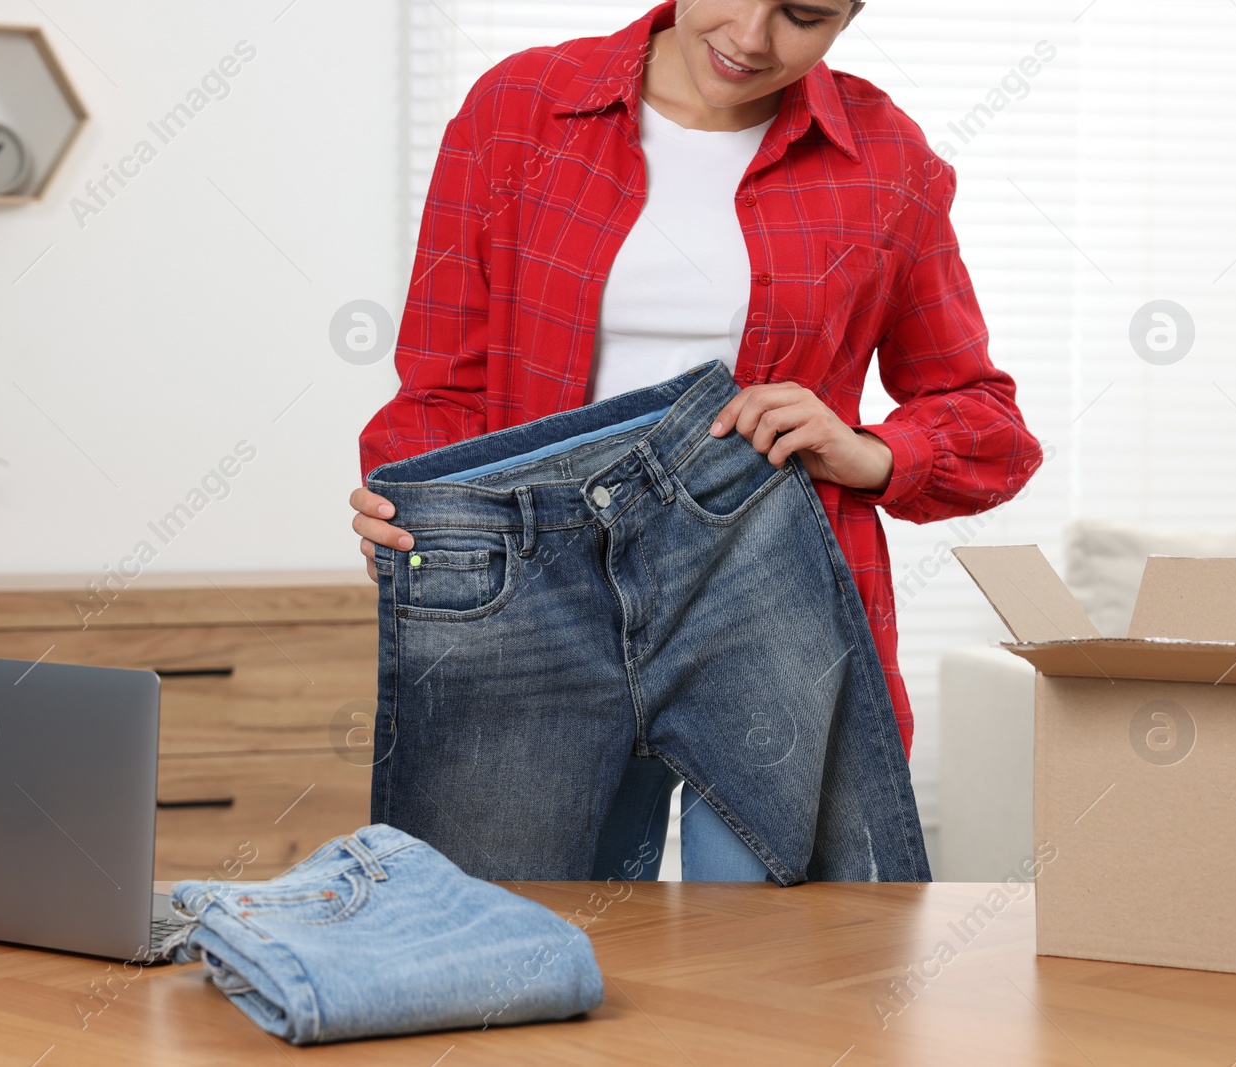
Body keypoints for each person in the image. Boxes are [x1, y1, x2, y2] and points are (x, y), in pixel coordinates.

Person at [352, 0, 1041, 880]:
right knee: (510, 932)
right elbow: (442, 381)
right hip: (535, 580)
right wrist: (413, 501)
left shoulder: (886, 160)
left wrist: (868, 451)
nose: (752, 39)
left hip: (763, 570)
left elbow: (986, 420)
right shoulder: (519, 108)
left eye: (804, 14)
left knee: (785, 958)